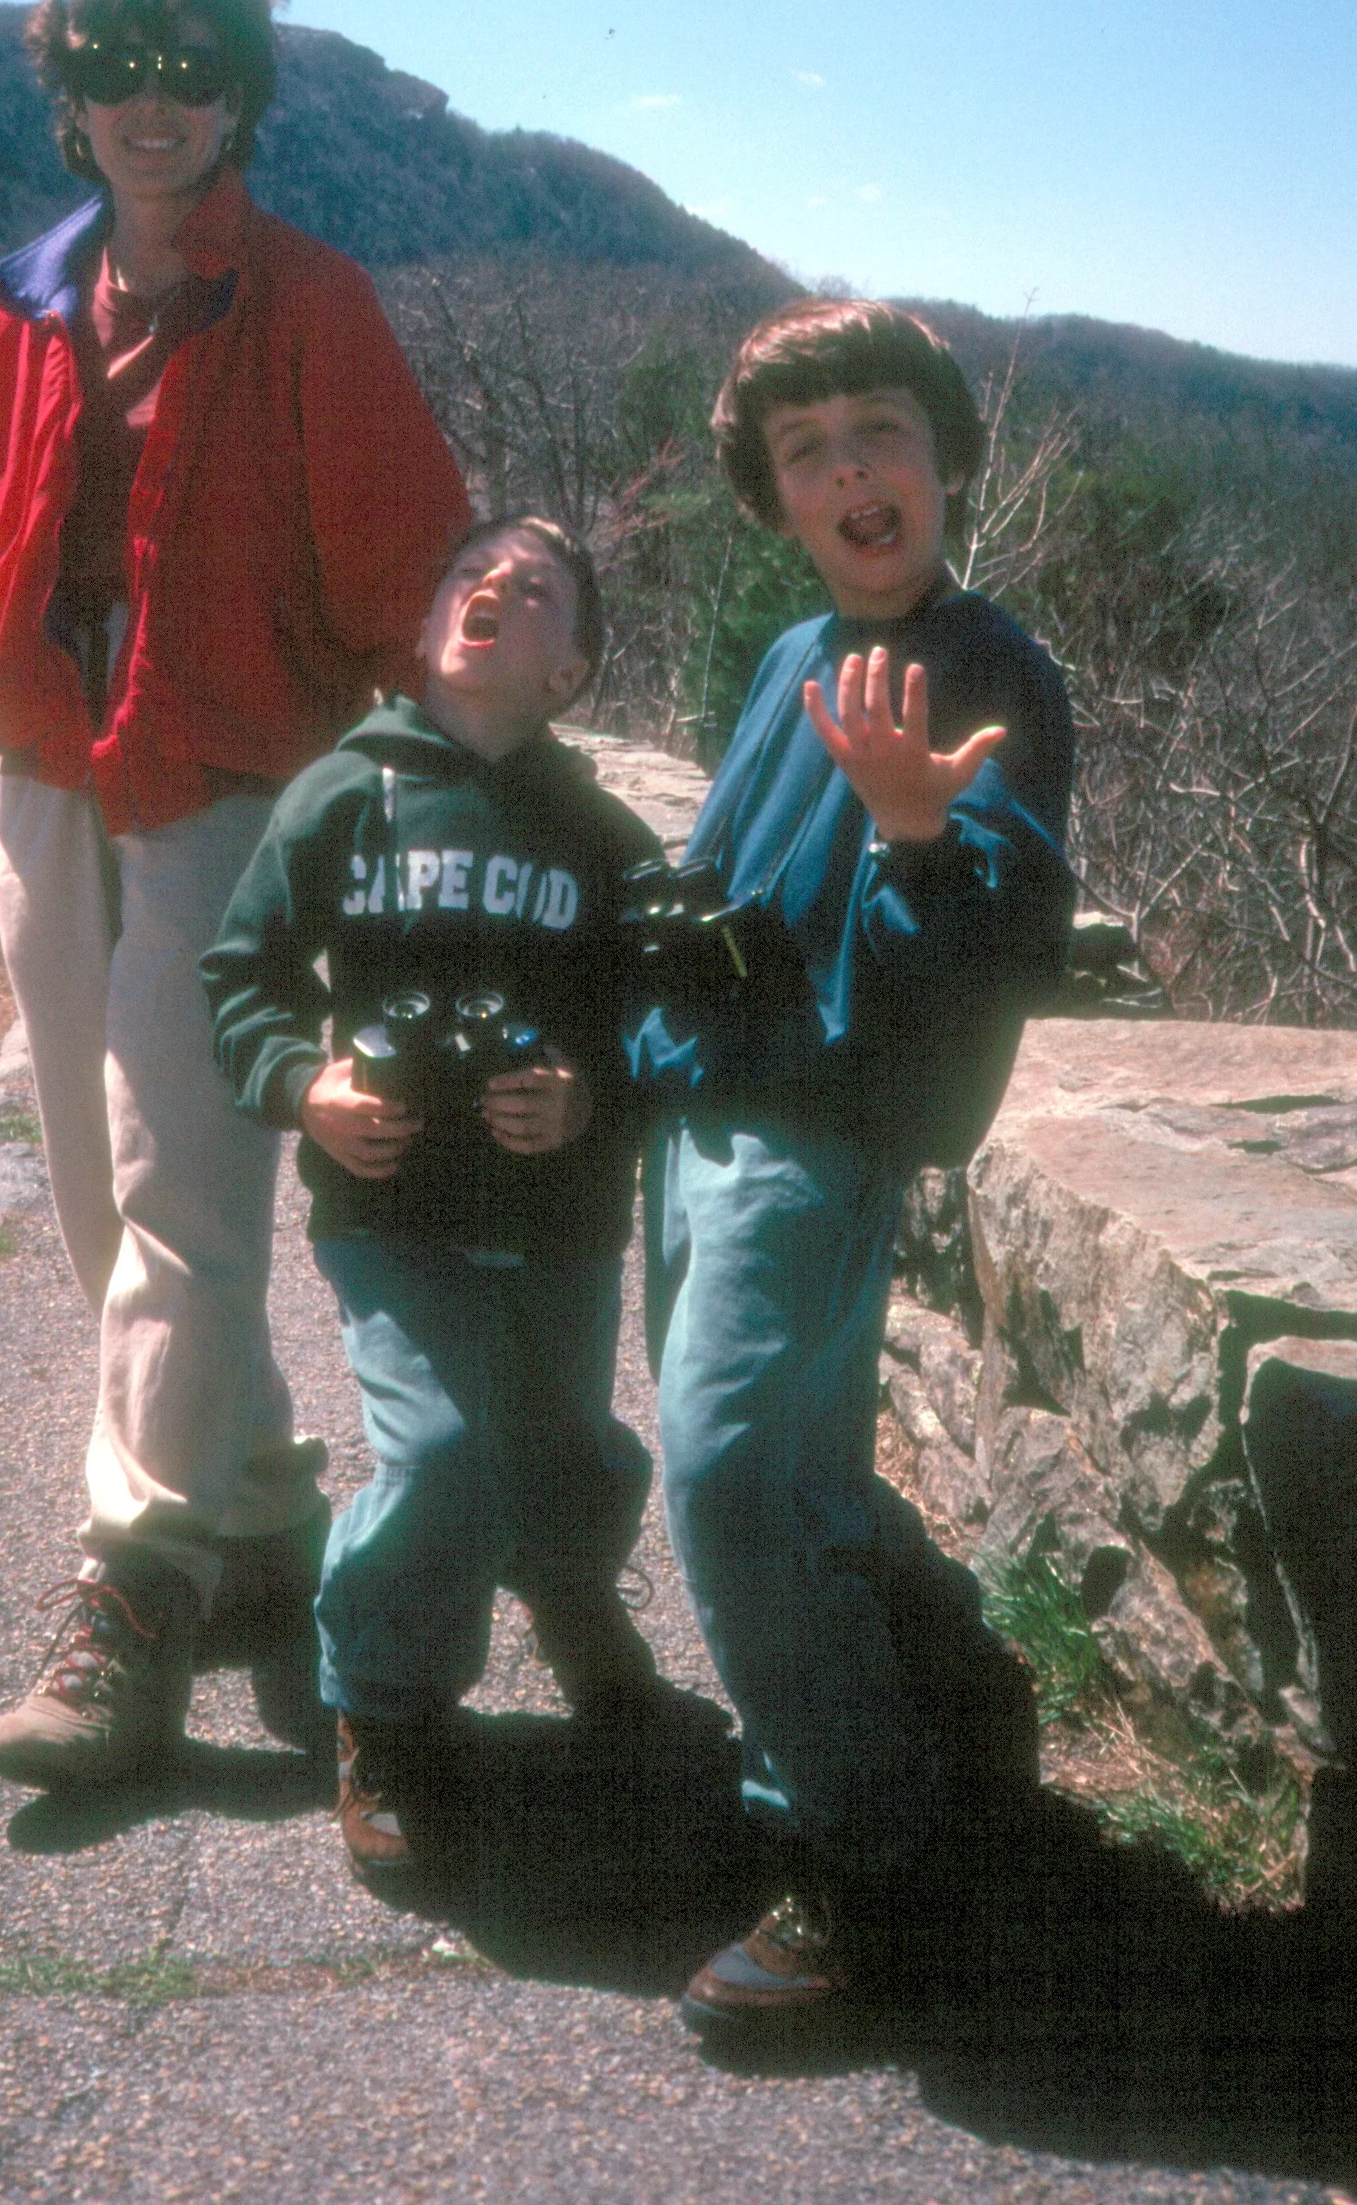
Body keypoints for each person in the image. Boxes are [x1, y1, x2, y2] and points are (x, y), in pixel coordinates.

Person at [0, 0, 470, 1789]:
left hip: (225, 780)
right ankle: (257, 1515)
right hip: (46, 764)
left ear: (237, 106)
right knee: (96, 1183)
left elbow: (412, 562)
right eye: (116, 78)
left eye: (190, 77)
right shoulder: (25, 298)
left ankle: (136, 1581)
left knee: (184, 1195)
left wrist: (415, 785)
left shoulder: (309, 301)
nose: (152, 109)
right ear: (71, 108)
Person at [630, 299, 1075, 2035]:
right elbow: (725, 868)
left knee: (731, 1474)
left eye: (880, 431)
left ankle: (861, 1852)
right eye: (810, 452)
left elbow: (999, 943)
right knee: (789, 1471)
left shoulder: (991, 674)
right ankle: (953, 1692)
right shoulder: (791, 650)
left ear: (944, 458)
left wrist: (912, 834)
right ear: (781, 498)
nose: (851, 471)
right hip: (702, 1110)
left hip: (818, 1134)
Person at [204, 517, 709, 1876]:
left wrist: (593, 1092)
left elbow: (657, 1014)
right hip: (394, 1209)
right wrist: (307, 1088)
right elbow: (238, 979)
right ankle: (384, 1700)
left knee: (562, 1440)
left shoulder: (602, 835)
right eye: (466, 571)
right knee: (438, 1451)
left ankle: (569, 1590)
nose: (489, 585)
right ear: (430, 625)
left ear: (571, 669)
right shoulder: (339, 796)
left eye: (533, 587)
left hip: (558, 1215)